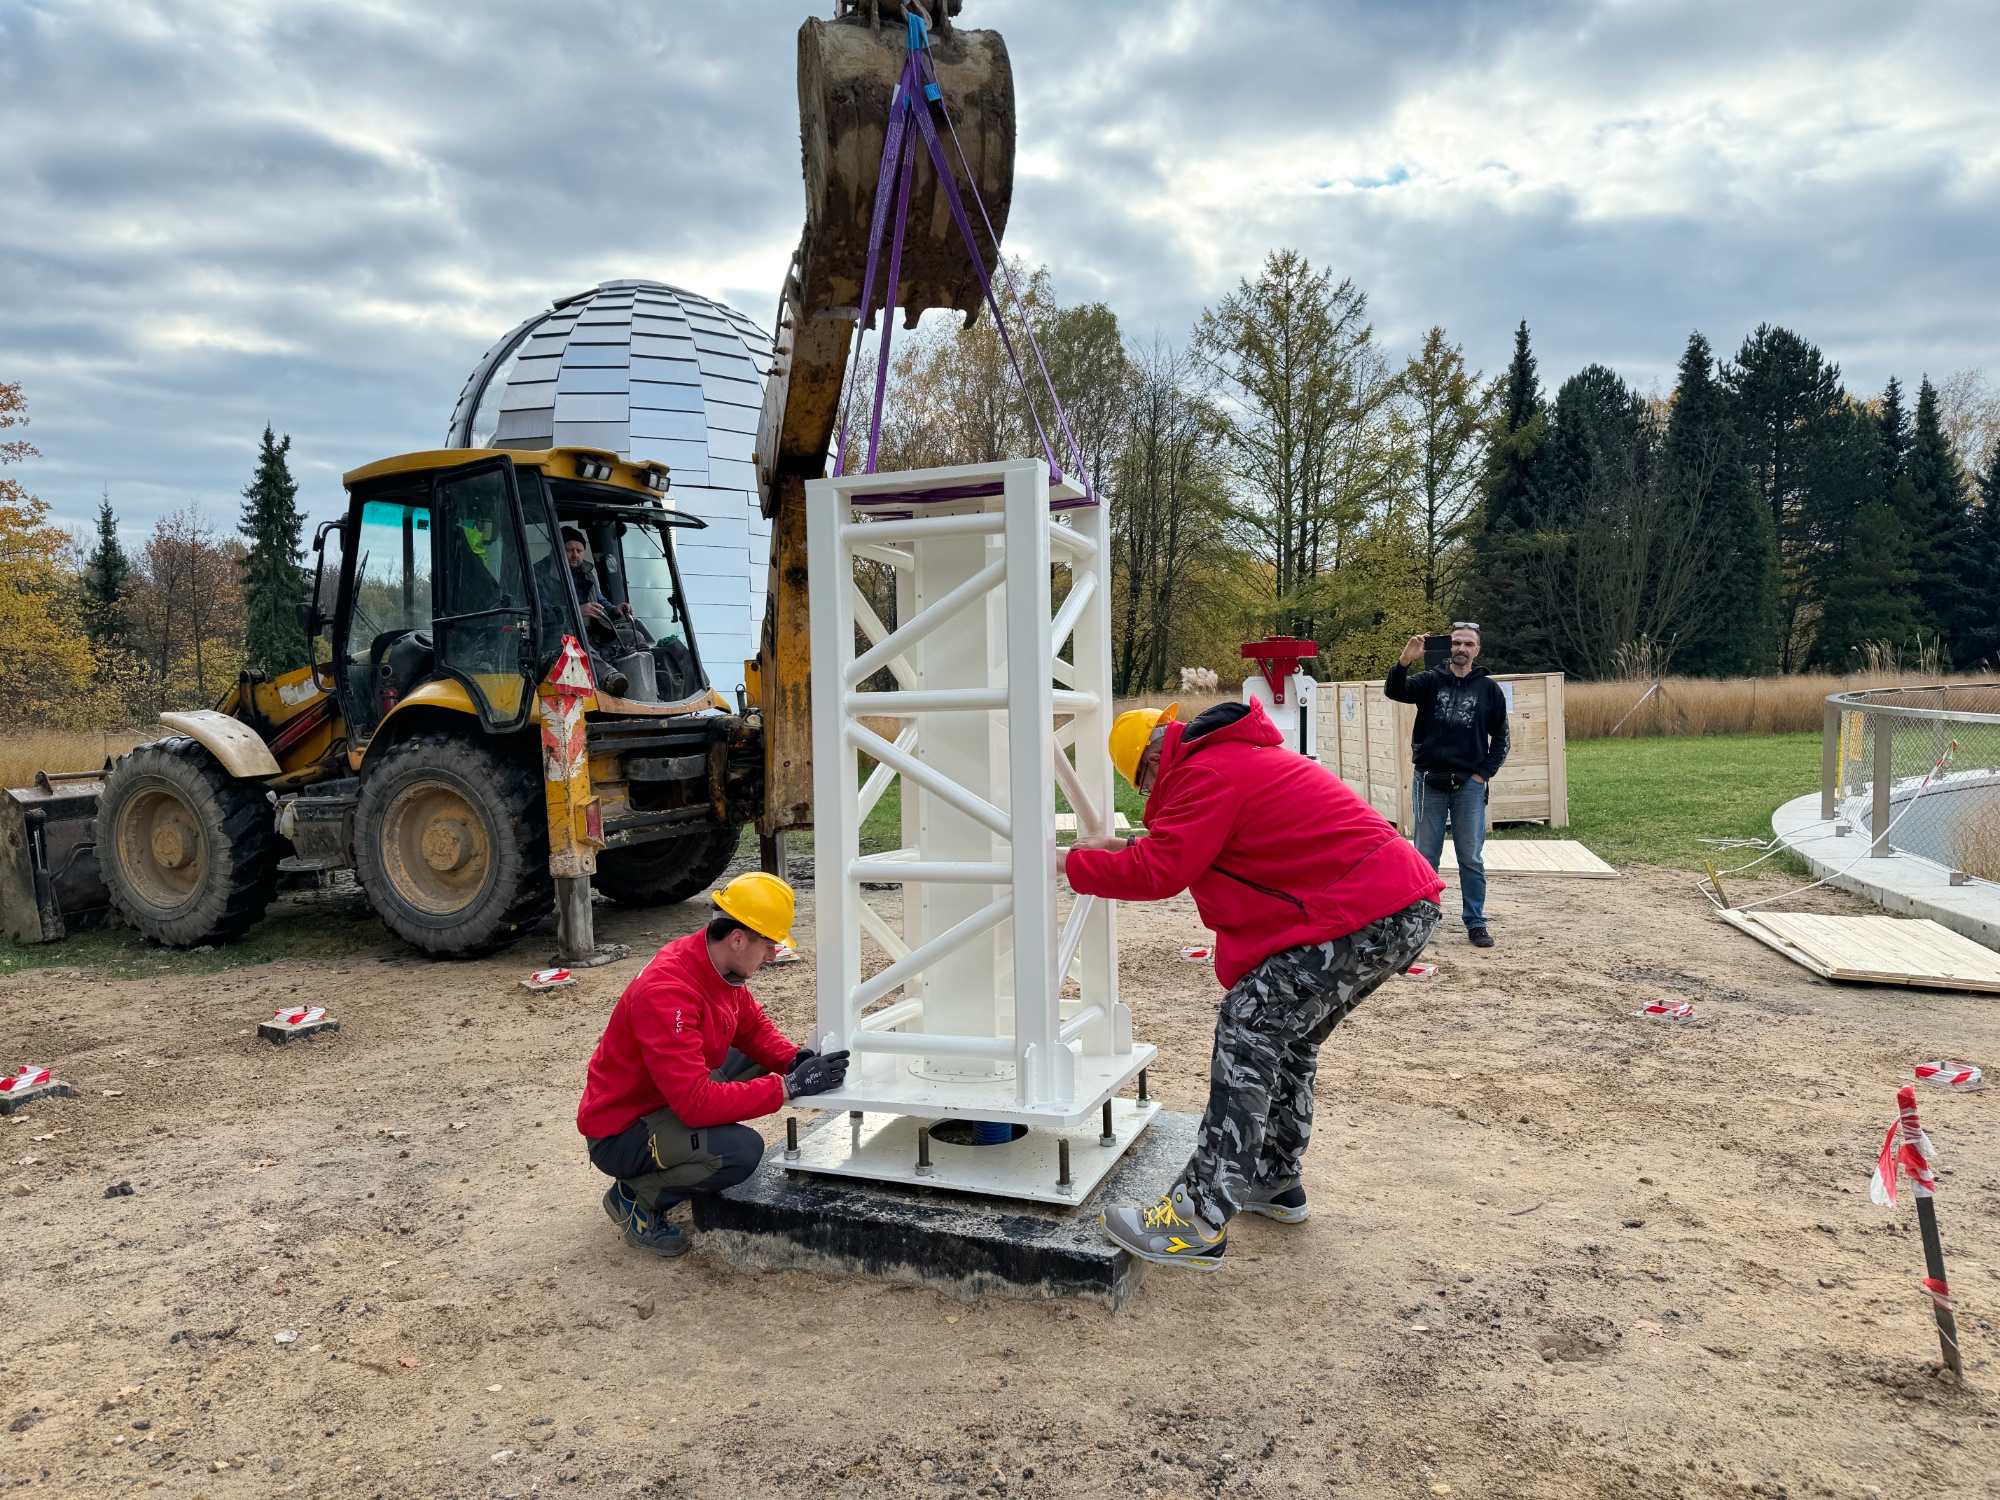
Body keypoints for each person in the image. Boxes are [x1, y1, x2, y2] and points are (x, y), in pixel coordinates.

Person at [1060, 697, 1443, 1270]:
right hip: (1398, 906)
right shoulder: (1228, 762)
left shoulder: (1203, 776)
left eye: (1141, 785)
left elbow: (1159, 871)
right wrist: (1118, 850)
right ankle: (1272, 1177)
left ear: (1147, 767)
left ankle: (1195, 1220)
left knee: (1250, 1024)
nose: (1148, 798)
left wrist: (1068, 865)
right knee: (1288, 1035)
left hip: (1368, 911)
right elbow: (1181, 849)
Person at [575, 872, 849, 1257]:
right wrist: (790, 1086)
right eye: (769, 943)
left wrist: (795, 1060)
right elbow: (695, 1103)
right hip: (622, 1132)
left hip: (662, 1098)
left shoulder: (714, 964)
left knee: (754, 1058)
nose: (773, 954)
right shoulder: (668, 991)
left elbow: (750, 1028)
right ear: (737, 938)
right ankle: (635, 1197)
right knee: (738, 1151)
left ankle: (678, 1157)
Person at [1383, 623, 1510, 949]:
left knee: (1471, 857)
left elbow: (1502, 739)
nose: (1461, 648)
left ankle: (1475, 922)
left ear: (1477, 650)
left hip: (1469, 784)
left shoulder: (1489, 690)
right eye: (1456, 643)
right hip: (1429, 780)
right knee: (1425, 856)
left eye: (1468, 644)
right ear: (1448, 648)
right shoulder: (1429, 681)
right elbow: (1395, 691)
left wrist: (1483, 774)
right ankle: (1421, 923)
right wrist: (1404, 661)